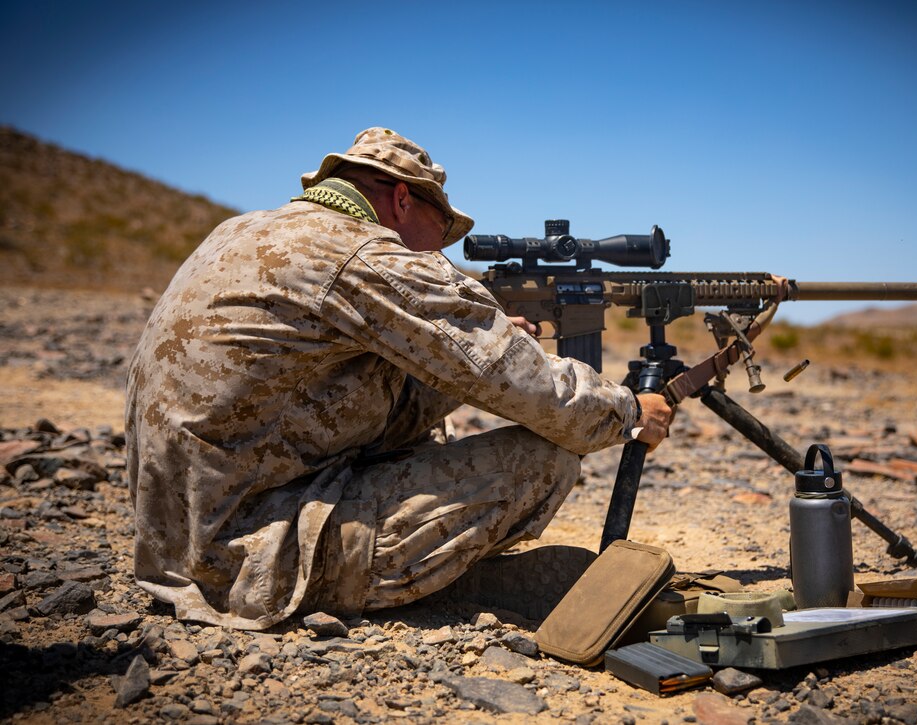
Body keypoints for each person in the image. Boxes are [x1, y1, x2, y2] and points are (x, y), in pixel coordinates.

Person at [125, 127, 673, 630]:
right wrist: (629, 413)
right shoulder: (365, 252)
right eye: (439, 231)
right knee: (543, 461)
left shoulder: (239, 231)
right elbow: (532, 390)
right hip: (257, 560)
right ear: (402, 198)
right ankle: (426, 586)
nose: (437, 251)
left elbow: (348, 405)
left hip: (183, 542)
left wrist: (458, 358)